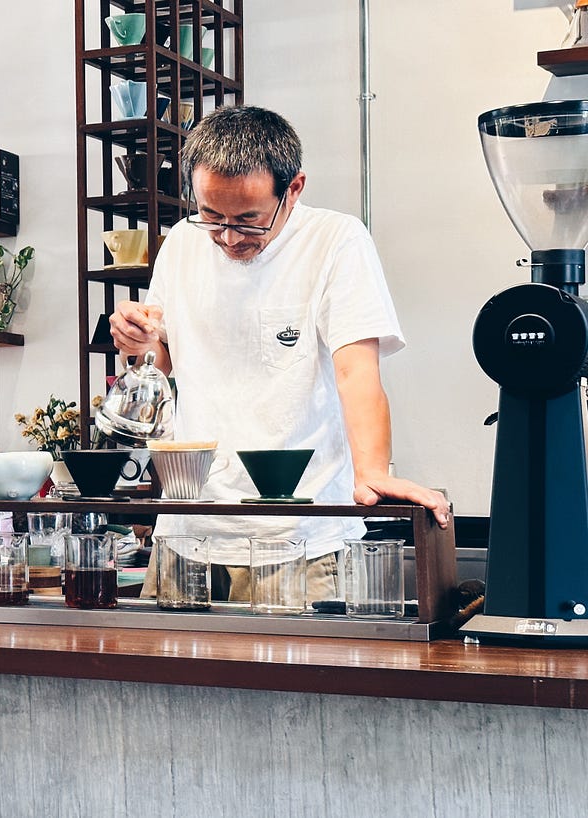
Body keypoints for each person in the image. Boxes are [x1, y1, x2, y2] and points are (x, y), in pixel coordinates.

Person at [108, 105, 450, 602]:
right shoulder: (182, 243)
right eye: (212, 216)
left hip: (298, 536)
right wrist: (138, 343)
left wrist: (373, 472)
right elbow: (162, 364)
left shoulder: (335, 240)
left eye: (249, 220)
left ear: (294, 188)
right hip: (187, 528)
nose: (229, 237)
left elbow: (356, 372)